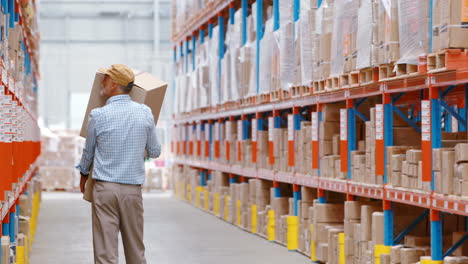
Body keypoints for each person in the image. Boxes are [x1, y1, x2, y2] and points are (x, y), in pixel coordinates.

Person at [76, 64, 161, 264]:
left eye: (104, 79)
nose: (101, 83)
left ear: (114, 84)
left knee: (105, 251)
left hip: (105, 190)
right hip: (132, 191)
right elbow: (155, 151)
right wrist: (134, 149)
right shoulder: (145, 113)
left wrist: (83, 175)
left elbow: (88, 154)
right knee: (135, 249)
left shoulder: (98, 115)